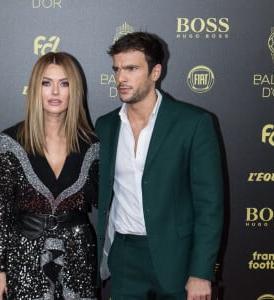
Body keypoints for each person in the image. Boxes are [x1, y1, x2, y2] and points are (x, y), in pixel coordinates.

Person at [95, 32, 224, 300]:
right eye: (117, 69)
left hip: (176, 257)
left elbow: (209, 205)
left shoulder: (193, 124)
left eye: (131, 68)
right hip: (125, 255)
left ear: (155, 72)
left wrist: (201, 272)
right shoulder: (105, 126)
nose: (121, 78)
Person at [0, 52, 99, 300]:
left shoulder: (93, 146)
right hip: (24, 258)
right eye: (46, 83)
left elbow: (111, 201)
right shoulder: (9, 143)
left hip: (78, 257)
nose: (55, 92)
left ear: (75, 90)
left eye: (64, 83)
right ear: (35, 89)